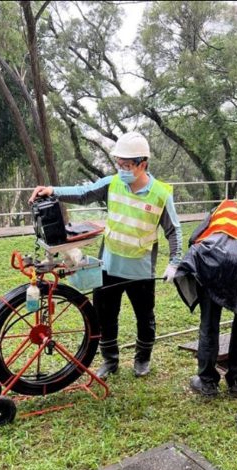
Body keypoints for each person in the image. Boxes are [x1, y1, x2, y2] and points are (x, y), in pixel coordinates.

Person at [29, 132, 182, 380]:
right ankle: (110, 360)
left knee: (145, 317)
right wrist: (52, 190)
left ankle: (142, 359)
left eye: (127, 165)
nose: (121, 169)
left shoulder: (161, 194)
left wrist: (175, 262)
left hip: (141, 271)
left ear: (143, 164)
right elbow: (84, 193)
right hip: (109, 265)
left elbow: (173, 230)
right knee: (105, 315)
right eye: (118, 164)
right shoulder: (113, 183)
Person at [173, 199, 237, 398]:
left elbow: (194, 238)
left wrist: (199, 272)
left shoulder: (220, 208)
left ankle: (207, 382)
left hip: (212, 258)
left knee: (209, 323)